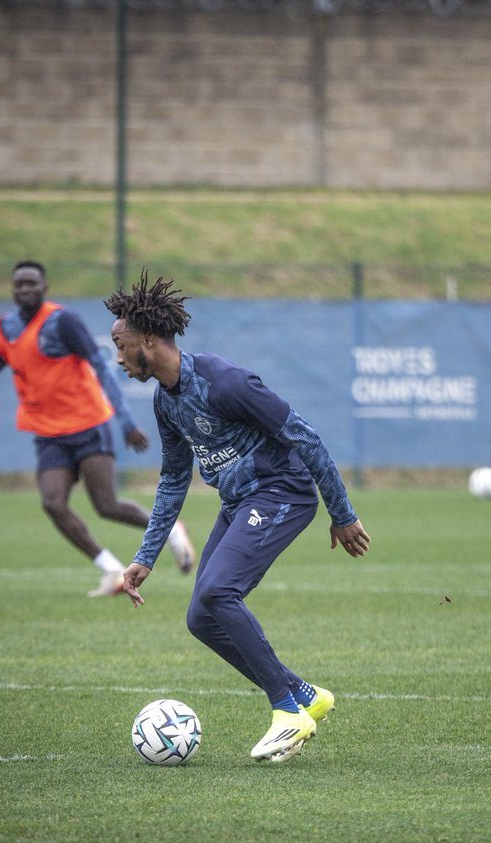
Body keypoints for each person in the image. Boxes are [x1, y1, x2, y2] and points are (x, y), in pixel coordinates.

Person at [105, 271, 371, 765]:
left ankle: (287, 712)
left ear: (147, 340)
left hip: (282, 494)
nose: (118, 359)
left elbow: (306, 437)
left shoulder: (225, 382)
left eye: (120, 346)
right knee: (201, 618)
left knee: (216, 592)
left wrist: (342, 513)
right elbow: (172, 480)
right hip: (240, 503)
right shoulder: (166, 402)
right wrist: (147, 556)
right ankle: (304, 695)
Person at [0, 260, 195, 597]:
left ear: (44, 288)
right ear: (12, 288)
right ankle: (111, 570)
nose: (25, 289)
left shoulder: (62, 321)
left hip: (87, 425)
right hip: (48, 433)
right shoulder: (5, 327)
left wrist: (124, 422)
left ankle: (169, 531)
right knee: (52, 502)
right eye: (19, 284)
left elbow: (101, 366)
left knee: (106, 505)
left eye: (32, 283)